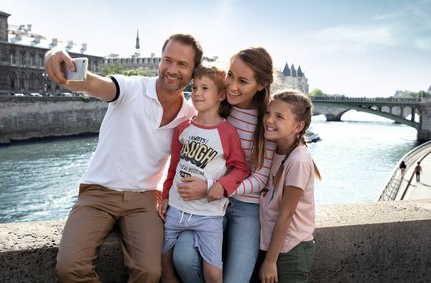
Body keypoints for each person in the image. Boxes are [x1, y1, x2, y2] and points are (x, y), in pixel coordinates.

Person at [44, 33, 203, 283]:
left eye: (182, 64)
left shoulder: (191, 115)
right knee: (70, 267)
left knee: (150, 272)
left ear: (194, 72)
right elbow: (93, 83)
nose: (172, 69)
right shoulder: (131, 88)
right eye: (167, 60)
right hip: (98, 192)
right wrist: (54, 56)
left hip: (145, 199)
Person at [172, 47, 276, 283]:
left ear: (260, 85)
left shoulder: (266, 121)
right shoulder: (220, 109)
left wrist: (216, 187)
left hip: (244, 208)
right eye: (230, 75)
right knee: (183, 259)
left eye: (243, 81)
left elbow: (260, 178)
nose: (231, 85)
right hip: (205, 204)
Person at [159, 66, 249, 283]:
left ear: (220, 95)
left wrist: (221, 185)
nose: (197, 93)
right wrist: (164, 195)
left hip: (208, 214)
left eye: (205, 88)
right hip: (176, 210)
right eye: (195, 87)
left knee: (213, 273)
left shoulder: (227, 133)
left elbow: (240, 168)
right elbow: (173, 167)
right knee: (165, 267)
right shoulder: (182, 129)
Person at [259, 90, 322, 283]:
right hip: (276, 248)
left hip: (289, 252)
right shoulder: (276, 150)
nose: (269, 120)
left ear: (298, 126)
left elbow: (286, 214)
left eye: (279, 117)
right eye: (268, 113)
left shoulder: (299, 160)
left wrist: (270, 261)